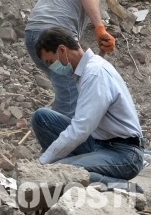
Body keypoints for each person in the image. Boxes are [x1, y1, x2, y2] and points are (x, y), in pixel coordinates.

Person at [30, 26, 143, 184]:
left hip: (123, 153)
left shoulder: (94, 74)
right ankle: (74, 170)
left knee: (61, 172)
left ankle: (121, 187)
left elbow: (81, 129)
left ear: (62, 50)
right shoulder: (84, 72)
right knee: (42, 118)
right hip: (98, 143)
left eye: (51, 62)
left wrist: (43, 162)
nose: (52, 68)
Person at [24, 0, 118, 117]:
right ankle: (59, 135)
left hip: (33, 33)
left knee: (72, 87)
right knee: (71, 95)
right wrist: (100, 28)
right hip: (54, 36)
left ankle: (62, 129)